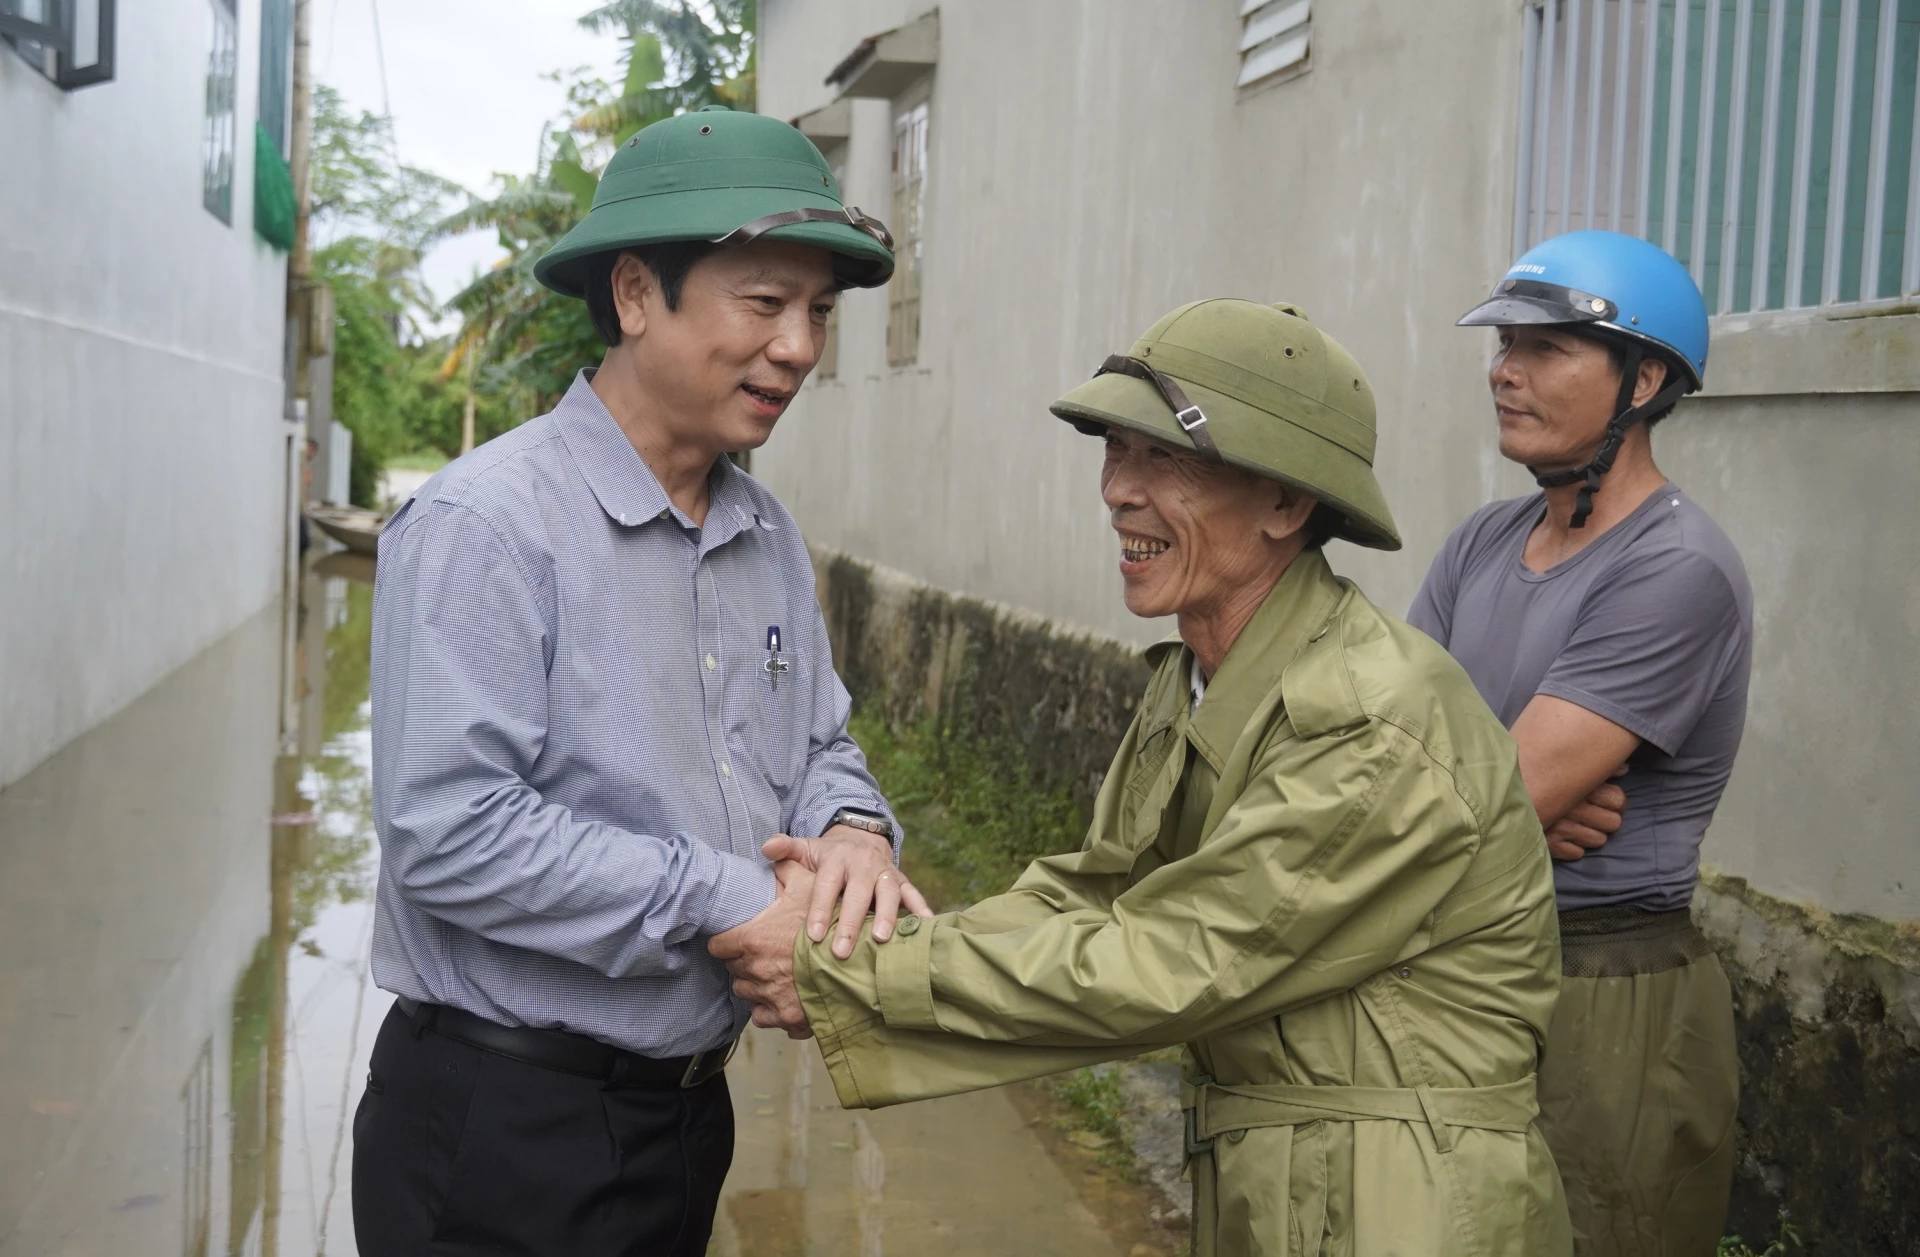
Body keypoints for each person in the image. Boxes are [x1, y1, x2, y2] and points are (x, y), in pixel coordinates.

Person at [714, 299, 1574, 1257]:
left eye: (1169, 458)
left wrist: (839, 964)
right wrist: (855, 940)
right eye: (1115, 450)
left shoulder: (1372, 718)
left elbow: (1174, 958)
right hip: (1287, 1176)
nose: (1119, 490)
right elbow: (1099, 890)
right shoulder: (1202, 678)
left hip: (1405, 1198)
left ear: (1287, 504)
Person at [352, 107, 930, 1257]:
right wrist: (730, 902)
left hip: (680, 1116)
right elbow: (448, 829)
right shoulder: (488, 524)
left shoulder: (765, 534)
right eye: (764, 303)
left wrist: (857, 835)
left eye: (818, 312)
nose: (802, 348)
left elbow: (818, 746)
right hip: (501, 1129)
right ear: (632, 295)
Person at [1407, 230, 1752, 1255]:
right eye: (1504, 345)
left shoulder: (1676, 569)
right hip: (1460, 966)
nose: (1505, 372)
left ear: (1645, 378)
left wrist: (1490, 806)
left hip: (1604, 998)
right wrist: (1511, 817)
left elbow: (1459, 803)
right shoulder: (1480, 543)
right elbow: (1376, 755)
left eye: (1546, 348)